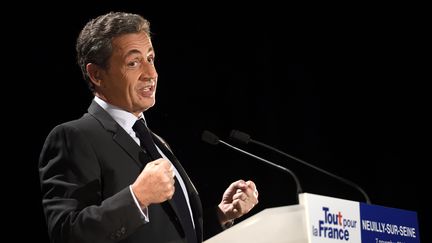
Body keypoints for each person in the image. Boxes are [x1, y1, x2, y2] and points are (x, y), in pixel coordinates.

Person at [38, 11, 258, 243]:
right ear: (96, 74)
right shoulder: (75, 136)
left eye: (150, 59)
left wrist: (221, 215)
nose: (151, 74)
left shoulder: (156, 141)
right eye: (133, 63)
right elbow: (66, 233)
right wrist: (137, 197)